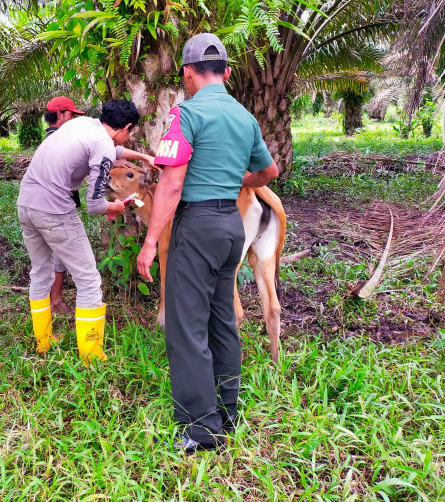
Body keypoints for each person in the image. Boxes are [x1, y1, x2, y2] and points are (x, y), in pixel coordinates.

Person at [135, 34, 279, 452]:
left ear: (187, 73)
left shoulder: (185, 114)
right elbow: (268, 172)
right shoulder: (245, 117)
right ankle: (228, 411)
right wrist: (236, 180)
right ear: (228, 73)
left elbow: (171, 184)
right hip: (231, 228)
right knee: (222, 319)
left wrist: (149, 245)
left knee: (186, 327)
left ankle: (201, 428)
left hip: (196, 226)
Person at [17, 98, 155, 361]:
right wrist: (115, 207)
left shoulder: (84, 124)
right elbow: (94, 205)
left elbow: (112, 150)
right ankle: (91, 356)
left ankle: (43, 341)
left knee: (40, 271)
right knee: (89, 279)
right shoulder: (103, 145)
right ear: (126, 127)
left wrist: (143, 156)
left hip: (26, 203)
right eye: (130, 133)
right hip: (54, 210)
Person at [42, 96, 84, 313]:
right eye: (72, 115)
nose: (74, 119)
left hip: (44, 206)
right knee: (59, 255)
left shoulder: (50, 139)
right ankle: (55, 302)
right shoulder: (61, 140)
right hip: (57, 208)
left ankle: (47, 304)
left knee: (48, 256)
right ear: (60, 115)